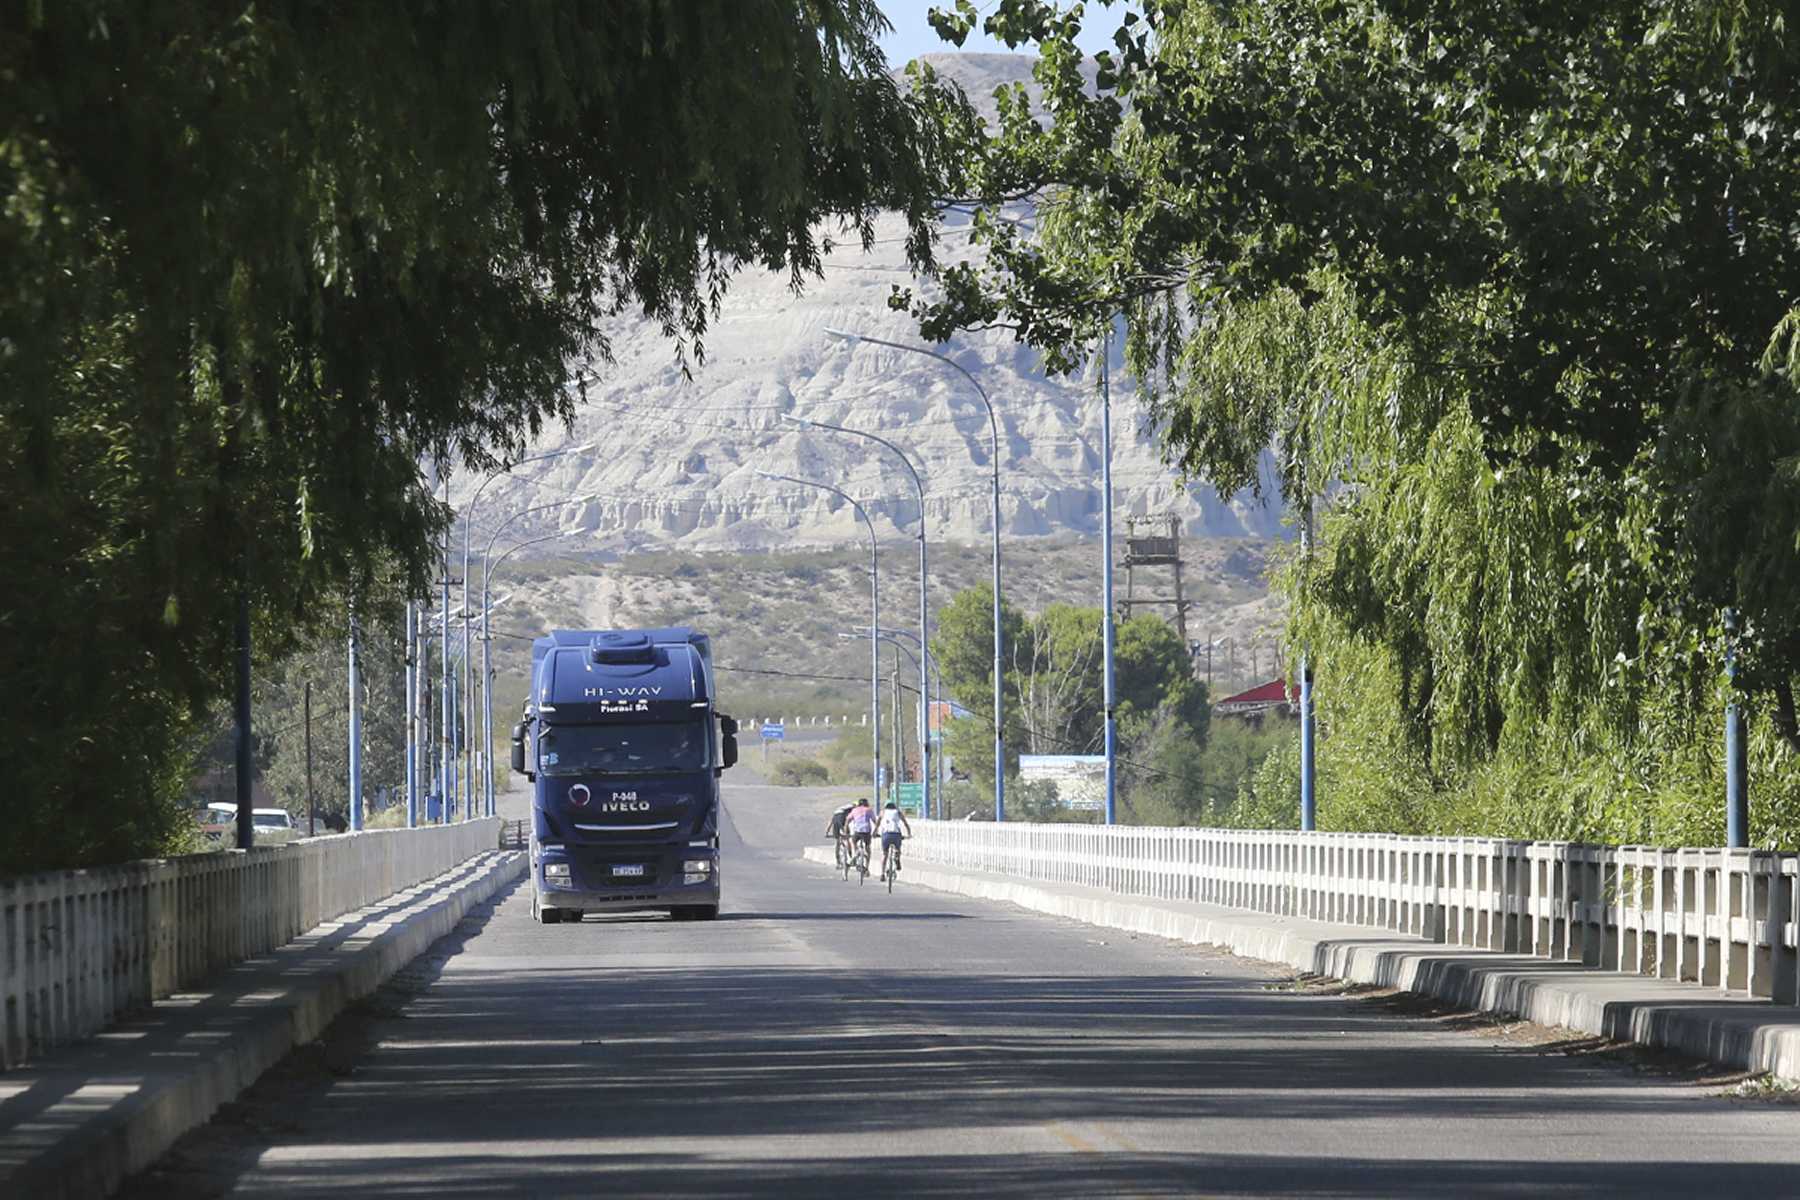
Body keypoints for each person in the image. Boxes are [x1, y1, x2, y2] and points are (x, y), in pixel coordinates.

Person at [877, 801, 911, 875]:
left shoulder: (882, 812)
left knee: (884, 854)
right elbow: (906, 824)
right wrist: (909, 834)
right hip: (896, 834)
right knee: (898, 848)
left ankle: (882, 874)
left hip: (886, 834)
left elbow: (877, 824)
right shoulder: (898, 812)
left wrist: (874, 833)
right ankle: (897, 857)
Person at [845, 798, 876, 867]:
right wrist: (876, 831)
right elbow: (874, 821)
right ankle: (867, 867)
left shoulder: (854, 810)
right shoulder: (869, 810)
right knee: (868, 849)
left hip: (857, 832)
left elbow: (848, 820)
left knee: (854, 842)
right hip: (866, 832)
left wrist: (846, 830)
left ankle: (855, 854)